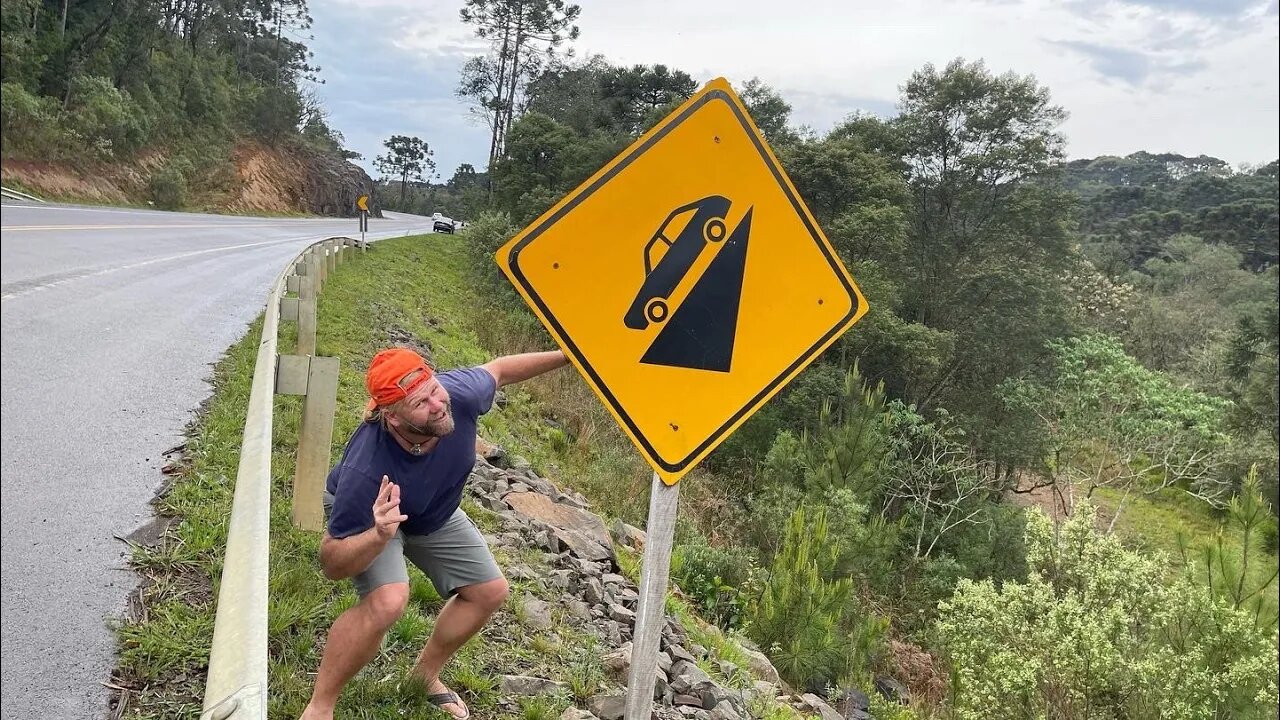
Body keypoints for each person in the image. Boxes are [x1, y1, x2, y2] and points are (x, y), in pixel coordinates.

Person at [300, 346, 570, 720]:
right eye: (420, 403)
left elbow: (501, 369)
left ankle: (424, 676)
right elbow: (332, 562)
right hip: (376, 517)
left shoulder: (457, 394)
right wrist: (378, 535)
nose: (437, 404)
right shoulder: (365, 471)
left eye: (433, 388)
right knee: (390, 601)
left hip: (432, 512)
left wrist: (570, 354)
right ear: (393, 419)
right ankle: (320, 705)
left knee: (489, 592)